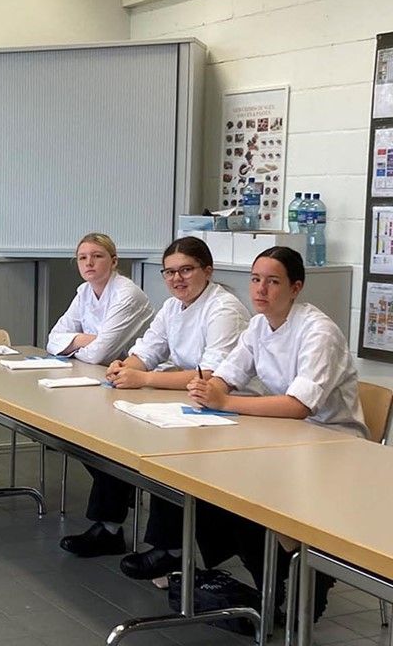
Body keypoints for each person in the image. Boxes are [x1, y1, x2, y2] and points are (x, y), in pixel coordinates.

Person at [187, 246, 368, 619]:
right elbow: (228, 373)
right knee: (215, 486)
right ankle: (273, 582)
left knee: (250, 493)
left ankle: (305, 579)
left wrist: (224, 402)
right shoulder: (258, 325)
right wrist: (210, 388)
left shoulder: (319, 331)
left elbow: (298, 405)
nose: (260, 289)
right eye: (255, 280)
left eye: (272, 281)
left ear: (295, 287)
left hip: (333, 443)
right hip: (286, 435)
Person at [106, 236, 250, 579]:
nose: (176, 279)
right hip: (190, 401)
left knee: (168, 456)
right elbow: (148, 350)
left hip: (236, 409)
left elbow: (211, 375)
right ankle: (116, 528)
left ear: (207, 271)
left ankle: (169, 550)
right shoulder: (172, 307)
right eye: (169, 272)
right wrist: (124, 367)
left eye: (186, 270)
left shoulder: (224, 309)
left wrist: (144, 379)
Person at [48, 233, 154, 557]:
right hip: (103, 382)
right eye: (83, 258)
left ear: (114, 261)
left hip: (140, 386)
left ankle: (109, 526)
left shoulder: (126, 294)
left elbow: (99, 354)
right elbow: (53, 339)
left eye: (97, 256)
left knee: (100, 445)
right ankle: (112, 517)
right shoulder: (84, 292)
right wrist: (87, 339)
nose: (89, 263)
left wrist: (79, 343)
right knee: (80, 439)